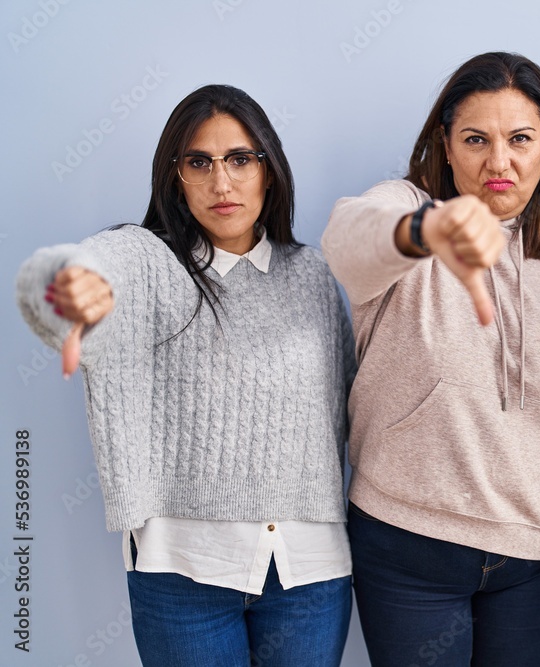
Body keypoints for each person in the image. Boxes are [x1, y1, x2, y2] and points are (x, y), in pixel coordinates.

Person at [16, 84, 355, 666]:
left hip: (310, 575)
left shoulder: (315, 277)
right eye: (199, 163)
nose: (221, 184)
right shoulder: (151, 262)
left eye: (240, 160)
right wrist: (73, 285)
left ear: (268, 170)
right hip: (182, 575)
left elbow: (347, 410)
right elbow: (101, 264)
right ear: (176, 177)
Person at [322, 52, 540, 666]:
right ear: (445, 146)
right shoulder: (404, 209)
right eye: (475, 140)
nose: (499, 162)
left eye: (520, 139)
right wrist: (426, 231)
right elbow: (346, 238)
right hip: (408, 540)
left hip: (537, 552)